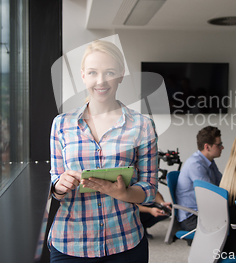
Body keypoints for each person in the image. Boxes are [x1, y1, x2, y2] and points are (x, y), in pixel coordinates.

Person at [49, 40, 158, 262]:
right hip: (71, 243)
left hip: (125, 241)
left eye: (109, 72)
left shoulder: (142, 125)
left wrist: (124, 194)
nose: (101, 81)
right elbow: (54, 185)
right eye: (92, 73)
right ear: (83, 76)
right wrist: (59, 186)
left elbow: (150, 189)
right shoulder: (61, 124)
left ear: (120, 75)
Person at [175, 126, 223, 231]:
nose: (222, 147)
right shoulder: (196, 165)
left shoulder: (209, 161)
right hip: (192, 217)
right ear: (207, 147)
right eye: (219, 145)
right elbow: (212, 195)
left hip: (203, 212)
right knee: (231, 222)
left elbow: (222, 183)